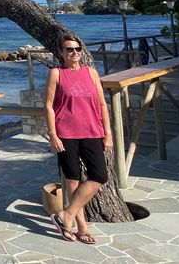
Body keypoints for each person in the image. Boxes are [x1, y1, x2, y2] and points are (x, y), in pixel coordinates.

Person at [44, 32, 112, 245]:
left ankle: (67, 215)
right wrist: (53, 134)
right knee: (72, 179)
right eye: (69, 49)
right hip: (66, 134)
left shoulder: (91, 72)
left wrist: (108, 133)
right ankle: (81, 228)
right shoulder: (56, 73)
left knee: (99, 176)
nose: (74, 52)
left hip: (92, 131)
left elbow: (102, 104)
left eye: (77, 49)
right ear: (62, 53)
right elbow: (48, 105)